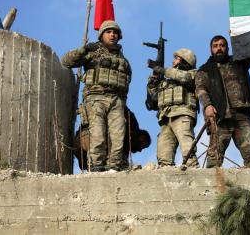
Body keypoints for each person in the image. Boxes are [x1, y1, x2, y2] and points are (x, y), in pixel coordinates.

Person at [62, 20, 131, 172]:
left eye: (115, 32)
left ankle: (115, 165)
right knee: (98, 133)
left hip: (116, 100)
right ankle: (96, 165)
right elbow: (66, 61)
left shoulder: (123, 60)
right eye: (108, 32)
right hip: (96, 98)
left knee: (118, 135)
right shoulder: (93, 53)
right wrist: (84, 50)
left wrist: (121, 101)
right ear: (101, 35)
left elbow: (126, 81)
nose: (112, 35)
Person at [195, 35, 250, 168]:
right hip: (220, 117)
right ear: (211, 49)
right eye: (215, 46)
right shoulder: (204, 70)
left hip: (241, 114)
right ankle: (214, 186)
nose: (219, 48)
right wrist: (207, 106)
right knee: (214, 159)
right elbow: (201, 90)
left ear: (227, 47)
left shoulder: (239, 62)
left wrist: (238, 36)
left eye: (222, 45)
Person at [147, 48, 199, 167]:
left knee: (187, 147)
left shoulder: (193, 73)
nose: (173, 61)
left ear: (185, 60)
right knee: (163, 153)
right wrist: (153, 82)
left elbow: (185, 78)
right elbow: (153, 101)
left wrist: (164, 70)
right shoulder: (168, 81)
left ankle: (193, 168)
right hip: (165, 117)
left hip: (182, 114)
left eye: (176, 58)